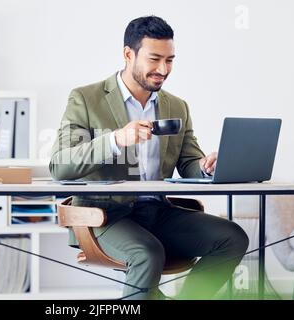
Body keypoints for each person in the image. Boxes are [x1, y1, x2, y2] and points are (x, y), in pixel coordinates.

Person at [49, 15, 249, 300]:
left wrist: (206, 168)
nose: (163, 69)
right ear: (128, 54)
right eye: (154, 59)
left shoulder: (177, 106)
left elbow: (189, 163)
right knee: (147, 253)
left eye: (170, 60)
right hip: (106, 217)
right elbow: (60, 165)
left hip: (158, 212)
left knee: (233, 238)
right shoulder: (86, 98)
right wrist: (115, 140)